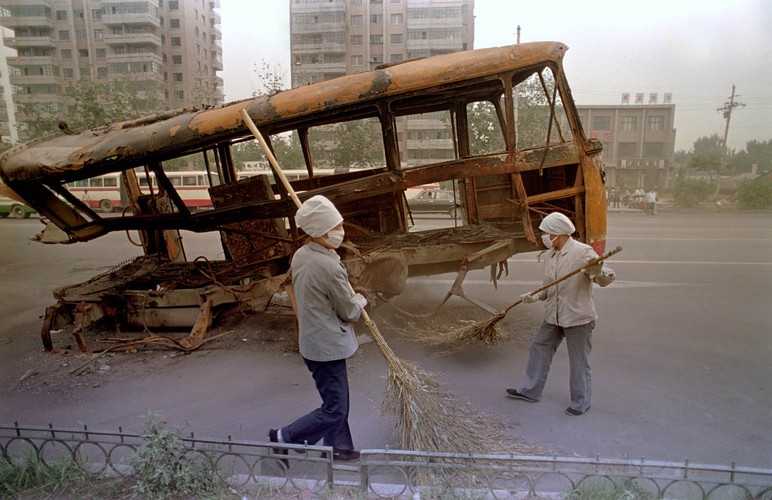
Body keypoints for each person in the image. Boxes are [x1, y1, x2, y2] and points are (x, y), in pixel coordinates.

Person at [269, 195, 367, 461]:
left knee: (337, 402)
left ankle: (339, 448)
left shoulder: (303, 254)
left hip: (313, 342)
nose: (340, 231)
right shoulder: (328, 267)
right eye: (336, 227)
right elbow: (348, 312)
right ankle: (283, 437)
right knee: (335, 407)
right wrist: (360, 298)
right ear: (321, 232)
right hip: (327, 347)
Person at [506, 212, 615, 416]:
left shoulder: (583, 253)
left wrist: (598, 269)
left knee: (579, 361)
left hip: (577, 317)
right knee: (539, 348)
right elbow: (549, 287)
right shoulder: (550, 255)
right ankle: (530, 391)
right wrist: (535, 296)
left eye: (546, 233)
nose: (544, 237)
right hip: (553, 316)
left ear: (557, 233)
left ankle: (581, 402)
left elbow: (604, 279)